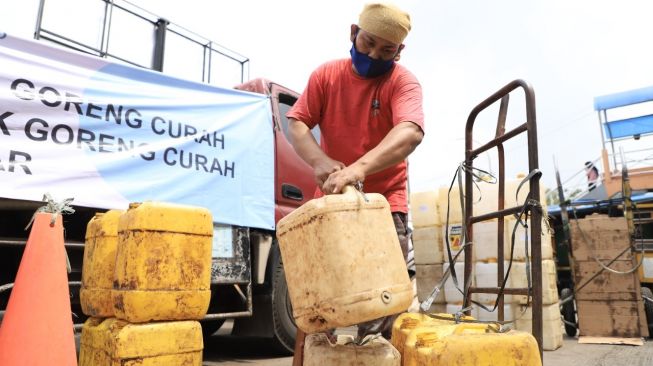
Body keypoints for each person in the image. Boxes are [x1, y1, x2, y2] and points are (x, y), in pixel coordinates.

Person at [286, 2, 424, 340]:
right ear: (353, 33)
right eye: (368, 43)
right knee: (318, 296)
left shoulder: (403, 82)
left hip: (384, 203)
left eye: (386, 50)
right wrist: (320, 161)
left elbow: (410, 132)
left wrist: (358, 169)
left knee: (380, 301)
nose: (375, 55)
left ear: (399, 52)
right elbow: (298, 123)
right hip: (330, 203)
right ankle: (318, 354)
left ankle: (372, 351)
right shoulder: (326, 75)